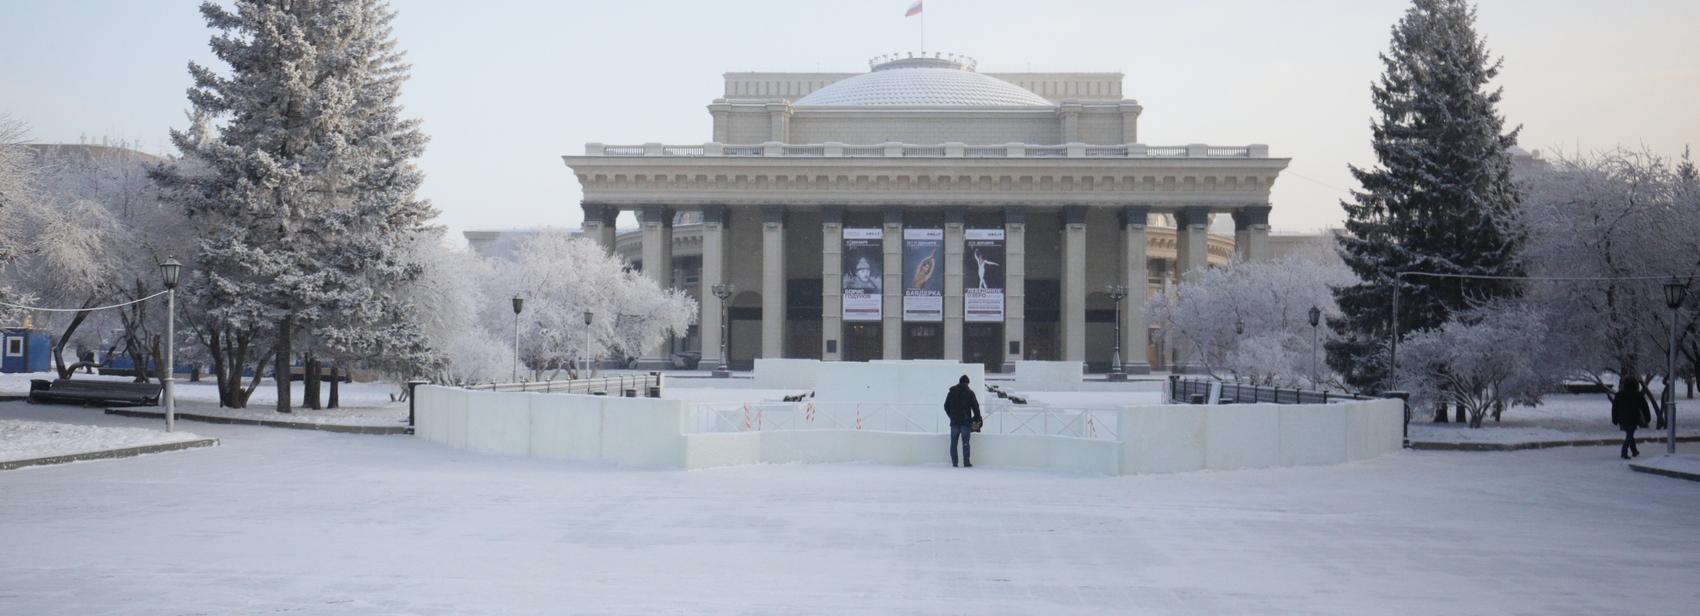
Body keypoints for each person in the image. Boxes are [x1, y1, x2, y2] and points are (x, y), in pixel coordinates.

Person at [943, 374, 982, 468]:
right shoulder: (970, 392)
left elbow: (946, 406)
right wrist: (977, 419)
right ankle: (966, 462)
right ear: (967, 383)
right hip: (965, 422)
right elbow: (975, 407)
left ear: (959, 382)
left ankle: (955, 463)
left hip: (954, 422)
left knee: (953, 443)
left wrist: (951, 416)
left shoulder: (952, 392)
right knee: (965, 443)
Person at [1610, 379, 1651, 459]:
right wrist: (1647, 418)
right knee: (1630, 435)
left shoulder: (1619, 394)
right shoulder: (1637, 394)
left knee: (1629, 434)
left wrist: (1614, 419)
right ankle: (1624, 452)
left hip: (1622, 419)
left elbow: (1614, 408)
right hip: (1633, 418)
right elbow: (1644, 407)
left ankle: (1634, 451)